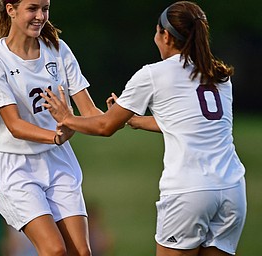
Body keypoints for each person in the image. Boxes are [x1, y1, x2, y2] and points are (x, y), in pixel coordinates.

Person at [41, 1, 247, 256]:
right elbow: (189, 124)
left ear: (167, 36)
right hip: (232, 191)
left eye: (157, 32)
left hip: (189, 191)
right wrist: (135, 120)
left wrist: (66, 117)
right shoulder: (219, 75)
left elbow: (105, 126)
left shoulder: (154, 74)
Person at [0, 0, 103, 255]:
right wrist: (58, 134)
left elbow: (90, 112)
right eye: (32, 9)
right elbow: (14, 125)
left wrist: (126, 115)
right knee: (54, 250)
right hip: (17, 167)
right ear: (11, 10)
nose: (40, 16)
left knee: (81, 252)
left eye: (45, 8)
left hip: (58, 161)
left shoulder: (58, 49)